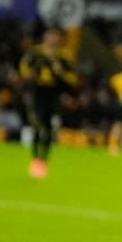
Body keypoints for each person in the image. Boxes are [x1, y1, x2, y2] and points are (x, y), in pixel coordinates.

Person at [18, 27, 81, 178]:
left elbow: (73, 78)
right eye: (50, 36)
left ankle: (43, 160)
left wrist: (61, 73)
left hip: (54, 96)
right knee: (38, 126)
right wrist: (28, 74)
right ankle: (35, 159)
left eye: (56, 36)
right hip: (37, 94)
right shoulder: (35, 53)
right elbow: (23, 68)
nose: (53, 39)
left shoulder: (63, 57)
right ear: (45, 37)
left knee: (50, 127)